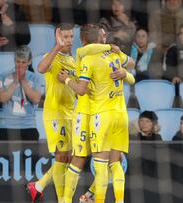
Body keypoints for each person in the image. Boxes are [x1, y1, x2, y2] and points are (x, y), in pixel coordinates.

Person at [58, 24, 135, 203]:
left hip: (99, 114)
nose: (104, 35)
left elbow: (81, 89)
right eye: (101, 33)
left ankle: (90, 198)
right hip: (97, 113)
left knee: (100, 164)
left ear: (82, 40)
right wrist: (126, 74)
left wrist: (67, 79)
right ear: (99, 38)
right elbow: (131, 70)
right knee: (97, 160)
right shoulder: (106, 53)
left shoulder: (88, 58)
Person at [0, 45, 41, 140]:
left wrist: (23, 80)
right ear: (14, 60)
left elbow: (36, 100)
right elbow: (2, 98)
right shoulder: (3, 76)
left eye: (23, 62)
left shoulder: (34, 78)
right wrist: (15, 81)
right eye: (18, 62)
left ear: (29, 62)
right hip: (7, 127)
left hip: (29, 126)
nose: (20, 65)